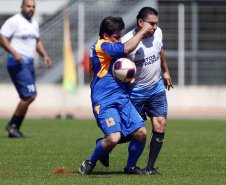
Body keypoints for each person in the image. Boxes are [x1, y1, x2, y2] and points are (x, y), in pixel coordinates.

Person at [98, 7, 174, 175]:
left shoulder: (158, 33)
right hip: (135, 93)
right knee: (132, 133)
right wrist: (125, 78)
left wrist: (166, 71)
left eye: (156, 24)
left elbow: (159, 50)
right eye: (151, 24)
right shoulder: (127, 42)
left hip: (156, 89)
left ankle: (150, 168)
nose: (154, 27)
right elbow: (115, 68)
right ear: (141, 22)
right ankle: (105, 144)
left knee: (160, 124)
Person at [79, 16, 153, 175]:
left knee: (141, 133)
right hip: (104, 101)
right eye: (116, 37)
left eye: (121, 36)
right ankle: (90, 162)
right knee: (114, 138)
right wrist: (143, 31)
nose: (120, 40)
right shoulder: (101, 46)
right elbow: (126, 49)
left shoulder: (113, 46)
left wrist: (127, 79)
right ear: (105, 35)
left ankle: (130, 167)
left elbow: (114, 71)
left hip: (122, 98)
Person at [0, 0, 51, 138]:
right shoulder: (14, 21)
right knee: (30, 95)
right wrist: (14, 53)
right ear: (22, 6)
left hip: (29, 64)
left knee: (27, 96)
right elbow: (2, 37)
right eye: (28, 6)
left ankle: (14, 128)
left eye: (33, 7)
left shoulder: (33, 23)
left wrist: (44, 55)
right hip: (18, 63)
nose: (31, 9)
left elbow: (37, 40)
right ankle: (12, 125)